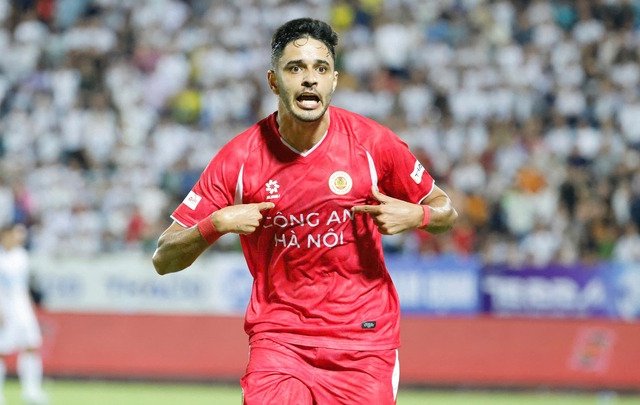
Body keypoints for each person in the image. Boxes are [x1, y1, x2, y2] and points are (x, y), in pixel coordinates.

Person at [152, 18, 457, 404]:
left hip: (363, 341)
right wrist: (217, 223)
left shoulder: (372, 144)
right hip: (280, 341)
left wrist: (418, 216)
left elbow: (446, 211)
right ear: (273, 81)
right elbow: (163, 258)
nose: (310, 79)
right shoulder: (239, 159)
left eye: (321, 69)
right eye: (295, 68)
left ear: (333, 81)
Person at [0, 224, 47, 405]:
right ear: (5, 235)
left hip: (23, 309)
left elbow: (23, 286)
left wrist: (30, 308)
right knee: (2, 351)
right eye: (15, 234)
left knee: (31, 346)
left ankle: (31, 390)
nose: (19, 237)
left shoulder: (22, 256)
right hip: (5, 309)